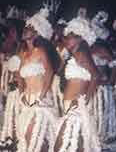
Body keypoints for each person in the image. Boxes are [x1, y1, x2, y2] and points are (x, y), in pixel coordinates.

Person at [1, 8, 61, 152]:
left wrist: (41, 97)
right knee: (29, 139)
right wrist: (22, 94)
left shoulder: (40, 52)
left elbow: (49, 74)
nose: (25, 30)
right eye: (26, 27)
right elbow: (19, 76)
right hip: (27, 101)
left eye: (30, 28)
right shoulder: (22, 54)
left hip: (40, 100)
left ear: (36, 33)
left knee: (36, 137)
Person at [54, 16, 101, 152]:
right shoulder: (75, 55)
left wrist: (84, 100)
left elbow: (96, 76)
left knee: (60, 145)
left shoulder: (81, 55)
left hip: (76, 107)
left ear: (80, 38)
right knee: (77, 144)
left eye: (71, 37)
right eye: (66, 37)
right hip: (70, 106)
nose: (66, 39)